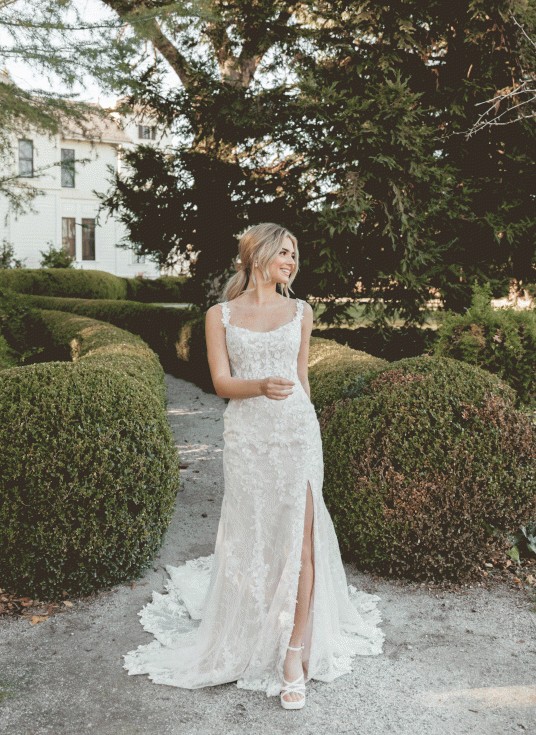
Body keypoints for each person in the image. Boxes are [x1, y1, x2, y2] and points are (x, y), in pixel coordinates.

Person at [124, 223, 383, 708]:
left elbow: (302, 377)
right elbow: (222, 383)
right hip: (247, 437)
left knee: (300, 541)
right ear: (258, 255)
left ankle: (292, 653)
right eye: (284, 252)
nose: (292, 261)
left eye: (295, 254)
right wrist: (261, 386)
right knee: (254, 535)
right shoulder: (219, 315)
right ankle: (250, 628)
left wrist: (306, 427)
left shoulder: (301, 311)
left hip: (297, 435)